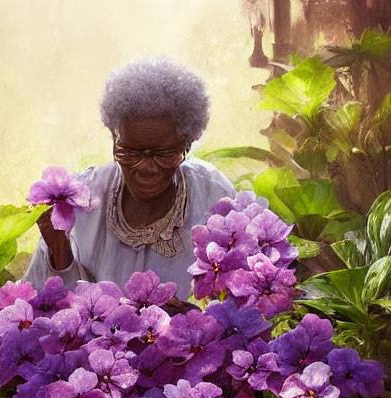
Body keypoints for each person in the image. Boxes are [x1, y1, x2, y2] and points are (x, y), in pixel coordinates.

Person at [24, 56, 235, 301]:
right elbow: (38, 309)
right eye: (130, 152)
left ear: (186, 144)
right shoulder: (80, 202)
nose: (146, 167)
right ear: (115, 137)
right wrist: (60, 255)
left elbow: (233, 305)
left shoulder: (213, 197)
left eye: (164, 154)